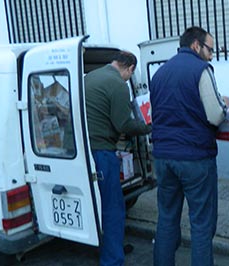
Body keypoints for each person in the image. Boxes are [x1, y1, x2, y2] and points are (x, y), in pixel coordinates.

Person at [149, 26, 227, 266]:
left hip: (163, 157)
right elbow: (214, 116)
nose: (212, 55)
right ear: (196, 45)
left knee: (167, 219)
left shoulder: (159, 73)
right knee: (201, 224)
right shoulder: (201, 69)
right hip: (195, 158)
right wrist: (223, 105)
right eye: (210, 49)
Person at [85, 51, 152, 266]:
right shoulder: (118, 85)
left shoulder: (91, 77)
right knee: (113, 208)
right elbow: (124, 124)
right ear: (130, 68)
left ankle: (106, 247)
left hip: (84, 150)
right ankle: (112, 259)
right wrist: (148, 127)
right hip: (102, 151)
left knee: (97, 205)